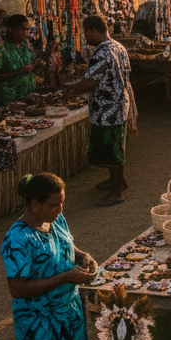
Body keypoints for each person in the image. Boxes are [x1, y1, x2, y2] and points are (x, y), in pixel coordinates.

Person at [1, 173, 95, 340]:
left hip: (69, 311)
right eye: (54, 205)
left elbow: (67, 245)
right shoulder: (17, 240)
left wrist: (84, 256)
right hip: (40, 323)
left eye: (62, 203)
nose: (59, 210)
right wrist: (65, 278)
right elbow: (17, 289)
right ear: (35, 204)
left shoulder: (56, 220)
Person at [65, 15, 131, 206]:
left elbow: (90, 81)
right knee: (116, 148)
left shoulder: (102, 52)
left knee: (113, 150)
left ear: (94, 31)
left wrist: (71, 90)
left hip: (108, 110)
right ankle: (117, 181)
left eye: (86, 33)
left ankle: (117, 191)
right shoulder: (118, 46)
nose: (85, 37)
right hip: (118, 106)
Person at [0, 14, 41, 106]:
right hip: (8, 98)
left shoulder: (27, 45)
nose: (25, 32)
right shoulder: (1, 50)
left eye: (27, 29)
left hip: (27, 95)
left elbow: (32, 63)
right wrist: (19, 71)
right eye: (22, 29)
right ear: (12, 30)